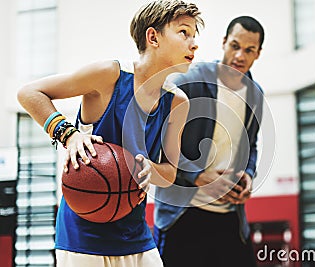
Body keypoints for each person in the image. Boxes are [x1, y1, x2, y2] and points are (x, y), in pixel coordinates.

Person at [17, 0, 203, 266]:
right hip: (83, 233)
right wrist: (69, 134)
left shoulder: (177, 102)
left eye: (195, 35)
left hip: (135, 232)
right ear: (153, 37)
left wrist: (151, 169)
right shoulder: (109, 75)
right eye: (184, 32)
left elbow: (170, 172)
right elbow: (29, 93)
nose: (194, 43)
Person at [154, 16, 265, 267]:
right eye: (235, 45)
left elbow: (251, 146)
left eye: (249, 50)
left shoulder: (256, 94)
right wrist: (197, 175)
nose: (240, 56)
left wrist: (248, 174)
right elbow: (157, 142)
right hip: (182, 215)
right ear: (224, 42)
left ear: (258, 53)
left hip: (229, 218)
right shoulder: (187, 82)